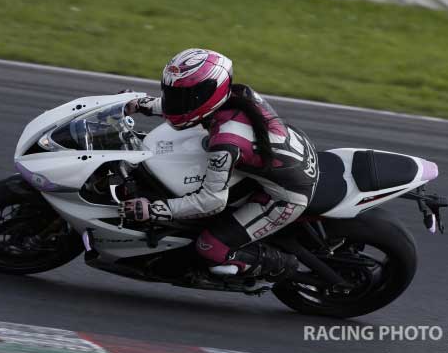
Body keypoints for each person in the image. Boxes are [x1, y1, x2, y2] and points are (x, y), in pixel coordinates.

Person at [122, 48, 318, 282]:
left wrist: (156, 209)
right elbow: (182, 107)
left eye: (182, 96)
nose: (174, 101)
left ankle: (281, 265)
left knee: (211, 248)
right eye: (172, 93)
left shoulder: (226, 142)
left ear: (207, 93)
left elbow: (212, 201)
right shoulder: (238, 93)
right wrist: (140, 104)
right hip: (295, 152)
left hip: (289, 194)